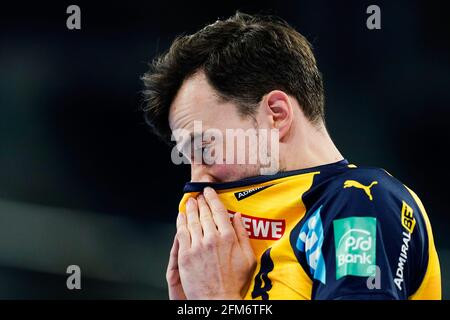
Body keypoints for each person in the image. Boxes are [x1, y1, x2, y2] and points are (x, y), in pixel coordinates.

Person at [141, 12, 441, 300]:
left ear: (276, 115)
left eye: (204, 148)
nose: (197, 179)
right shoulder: (234, 258)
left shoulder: (359, 203)